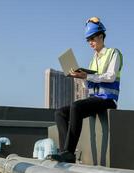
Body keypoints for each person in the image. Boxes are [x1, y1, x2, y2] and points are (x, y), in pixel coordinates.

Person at [51, 17, 123, 163]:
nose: (90, 42)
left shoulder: (113, 53)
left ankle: (69, 152)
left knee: (76, 106)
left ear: (101, 36)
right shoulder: (93, 60)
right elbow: (88, 84)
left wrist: (89, 75)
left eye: (92, 38)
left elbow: (110, 76)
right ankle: (65, 151)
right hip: (94, 100)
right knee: (59, 113)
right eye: (88, 40)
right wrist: (80, 77)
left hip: (107, 100)